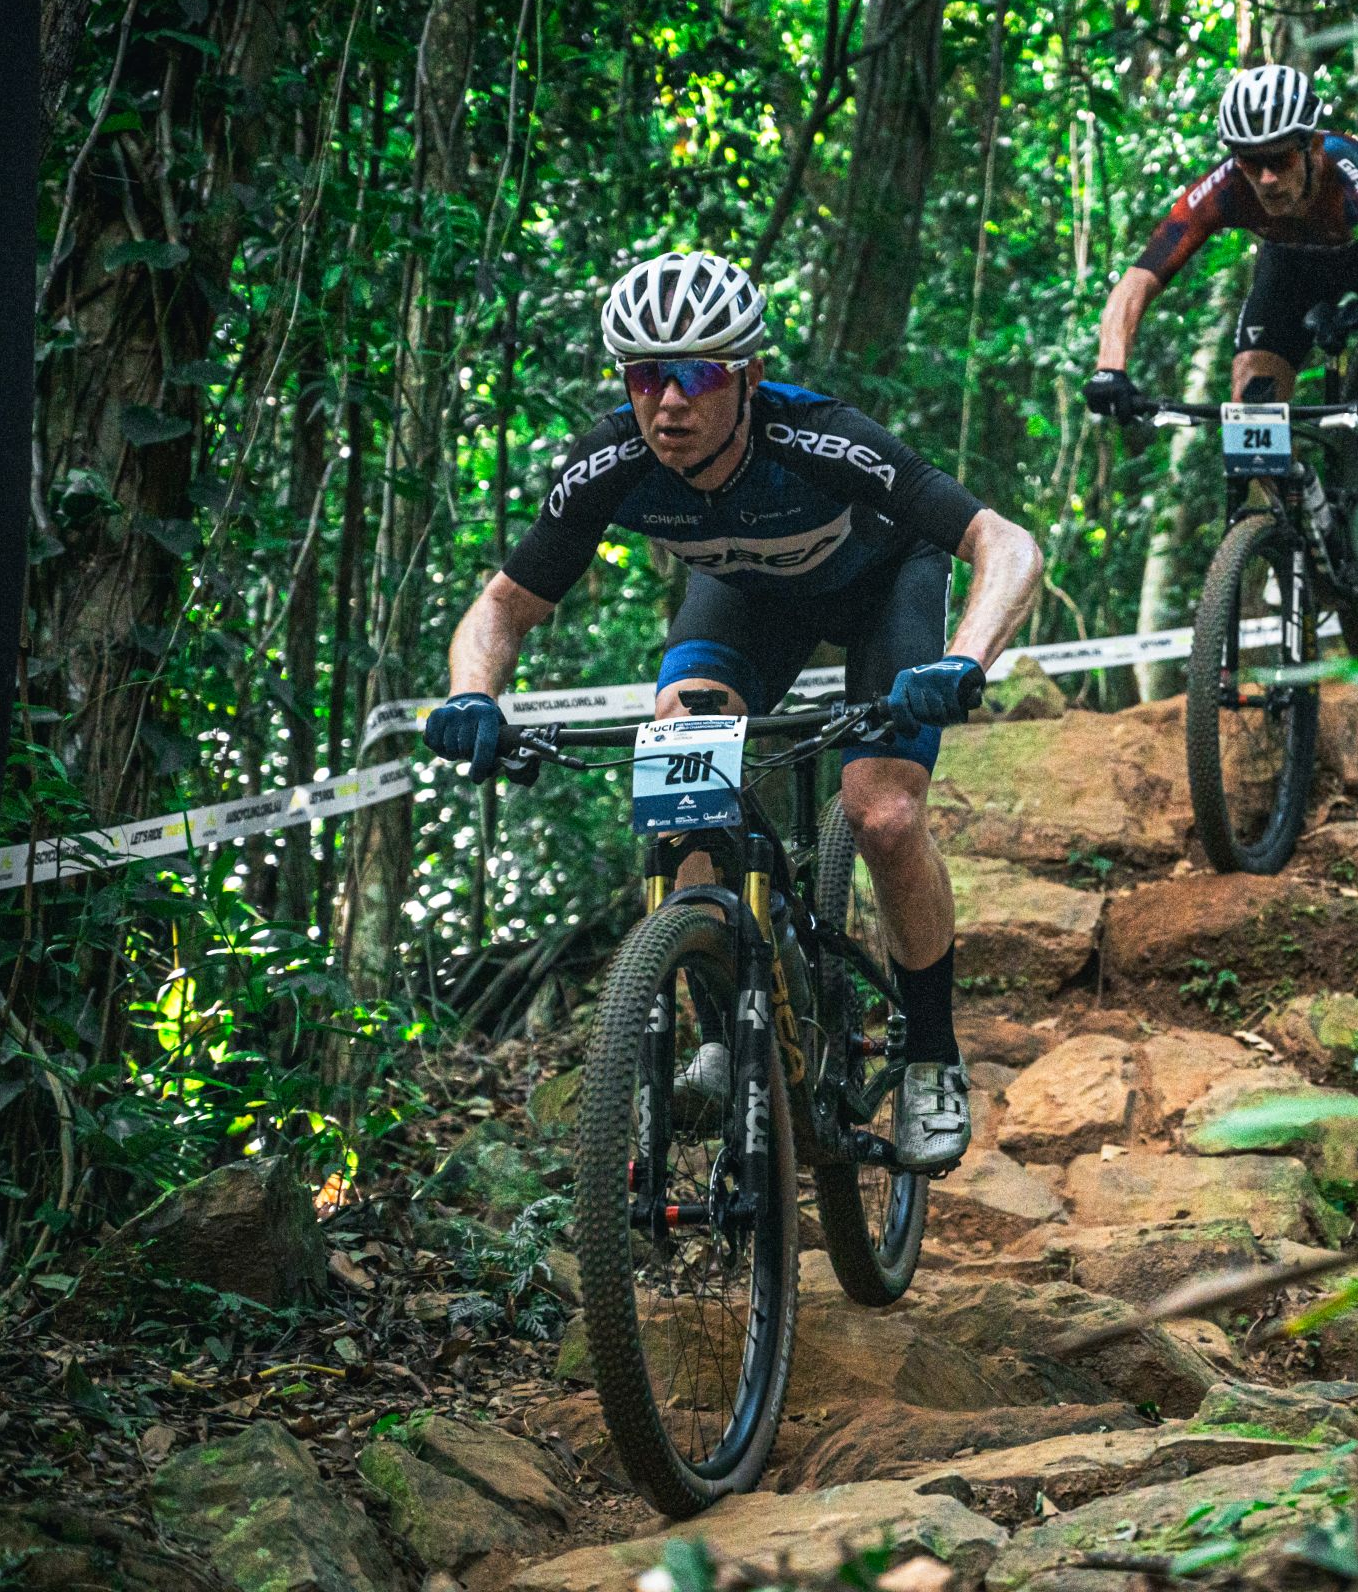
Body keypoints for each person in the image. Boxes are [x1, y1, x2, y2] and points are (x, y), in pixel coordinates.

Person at [423, 251, 1042, 1171]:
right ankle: (723, 1024)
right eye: (645, 375)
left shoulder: (820, 438)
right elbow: (503, 606)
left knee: (881, 807)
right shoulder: (610, 464)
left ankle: (928, 1057)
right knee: (680, 762)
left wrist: (963, 659)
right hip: (748, 601)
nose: (668, 402)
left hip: (880, 590)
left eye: (697, 372)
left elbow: (1006, 542)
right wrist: (472, 697)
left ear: (747, 376)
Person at [1084, 62, 1358, 596]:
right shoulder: (1228, 187)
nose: (1266, 178)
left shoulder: (1354, 177)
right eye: (1251, 163)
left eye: (1279, 160)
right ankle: (1290, 529)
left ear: (1311, 148)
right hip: (1290, 270)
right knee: (1250, 395)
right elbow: (1138, 280)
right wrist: (1109, 369)